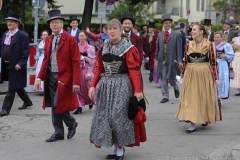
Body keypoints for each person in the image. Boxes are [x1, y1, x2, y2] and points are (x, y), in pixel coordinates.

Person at [88, 19, 144, 160]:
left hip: (122, 84)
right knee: (106, 117)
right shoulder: (104, 46)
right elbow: (99, 68)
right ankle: (114, 147)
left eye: (115, 28)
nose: (112, 31)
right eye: (109, 28)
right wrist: (93, 85)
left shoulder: (128, 48)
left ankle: (120, 147)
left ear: (120, 30)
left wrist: (138, 90)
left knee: (118, 117)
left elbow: (134, 70)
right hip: (106, 85)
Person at [35, 10, 80, 142]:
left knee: (58, 103)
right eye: (52, 23)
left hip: (65, 77)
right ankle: (58, 132)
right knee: (54, 105)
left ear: (62, 24)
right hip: (50, 75)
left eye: (57, 22)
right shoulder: (48, 39)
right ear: (49, 25)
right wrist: (39, 78)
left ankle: (71, 123)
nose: (54, 25)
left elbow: (76, 61)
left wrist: (76, 82)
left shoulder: (70, 40)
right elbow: (45, 60)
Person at [175, 24, 221, 133]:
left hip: (204, 72)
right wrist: (182, 73)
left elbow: (214, 63)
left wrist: (216, 78)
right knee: (190, 97)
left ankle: (204, 117)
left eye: (194, 30)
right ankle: (192, 122)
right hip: (190, 73)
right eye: (192, 30)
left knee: (203, 96)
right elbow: (186, 60)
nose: (192, 31)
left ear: (201, 31)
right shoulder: (188, 44)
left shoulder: (209, 45)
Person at [0, 12, 33, 117]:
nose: (9, 23)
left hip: (16, 66)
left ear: (17, 23)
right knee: (16, 85)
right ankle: (27, 101)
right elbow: (2, 48)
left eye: (11, 21)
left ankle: (5, 109)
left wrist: (21, 63)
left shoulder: (22, 36)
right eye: (8, 21)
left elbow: (25, 52)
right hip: (6, 64)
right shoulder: (5, 34)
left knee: (11, 87)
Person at [156, 15, 182, 103]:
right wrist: (156, 59)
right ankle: (165, 96)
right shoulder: (160, 35)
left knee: (172, 79)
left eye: (169, 23)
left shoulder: (176, 34)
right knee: (163, 78)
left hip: (172, 60)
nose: (167, 24)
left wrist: (179, 60)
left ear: (171, 24)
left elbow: (179, 49)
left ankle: (175, 88)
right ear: (163, 24)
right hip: (162, 59)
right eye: (165, 23)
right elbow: (158, 48)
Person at [73, 30, 96, 114]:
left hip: (85, 69)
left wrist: (84, 58)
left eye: (83, 36)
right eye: (80, 36)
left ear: (86, 37)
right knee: (77, 86)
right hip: (77, 69)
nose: (81, 37)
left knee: (85, 87)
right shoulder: (76, 46)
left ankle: (90, 100)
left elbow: (92, 61)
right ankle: (79, 106)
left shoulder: (90, 48)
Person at [214, 32, 234, 99]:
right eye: (215, 37)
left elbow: (231, 57)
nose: (216, 39)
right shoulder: (211, 45)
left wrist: (225, 56)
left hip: (222, 65)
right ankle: (213, 97)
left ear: (222, 38)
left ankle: (220, 97)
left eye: (218, 37)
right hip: (213, 64)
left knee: (221, 80)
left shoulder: (227, 45)